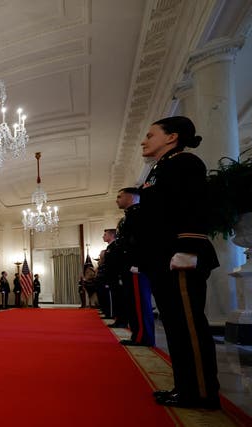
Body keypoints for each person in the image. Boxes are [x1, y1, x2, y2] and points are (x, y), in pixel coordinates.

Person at [138, 116, 220, 409]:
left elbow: (194, 206)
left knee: (189, 328)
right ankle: (185, 387)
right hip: (163, 259)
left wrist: (188, 247)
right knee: (175, 328)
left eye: (151, 135)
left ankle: (201, 393)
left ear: (171, 137)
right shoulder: (161, 169)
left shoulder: (185, 163)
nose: (144, 140)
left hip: (179, 257)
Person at [115, 187, 154, 346]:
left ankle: (143, 337)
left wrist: (137, 263)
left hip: (136, 267)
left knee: (139, 303)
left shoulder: (138, 214)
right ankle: (138, 335)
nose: (117, 199)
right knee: (133, 303)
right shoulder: (130, 215)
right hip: (130, 267)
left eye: (120, 196)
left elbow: (142, 240)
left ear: (131, 197)